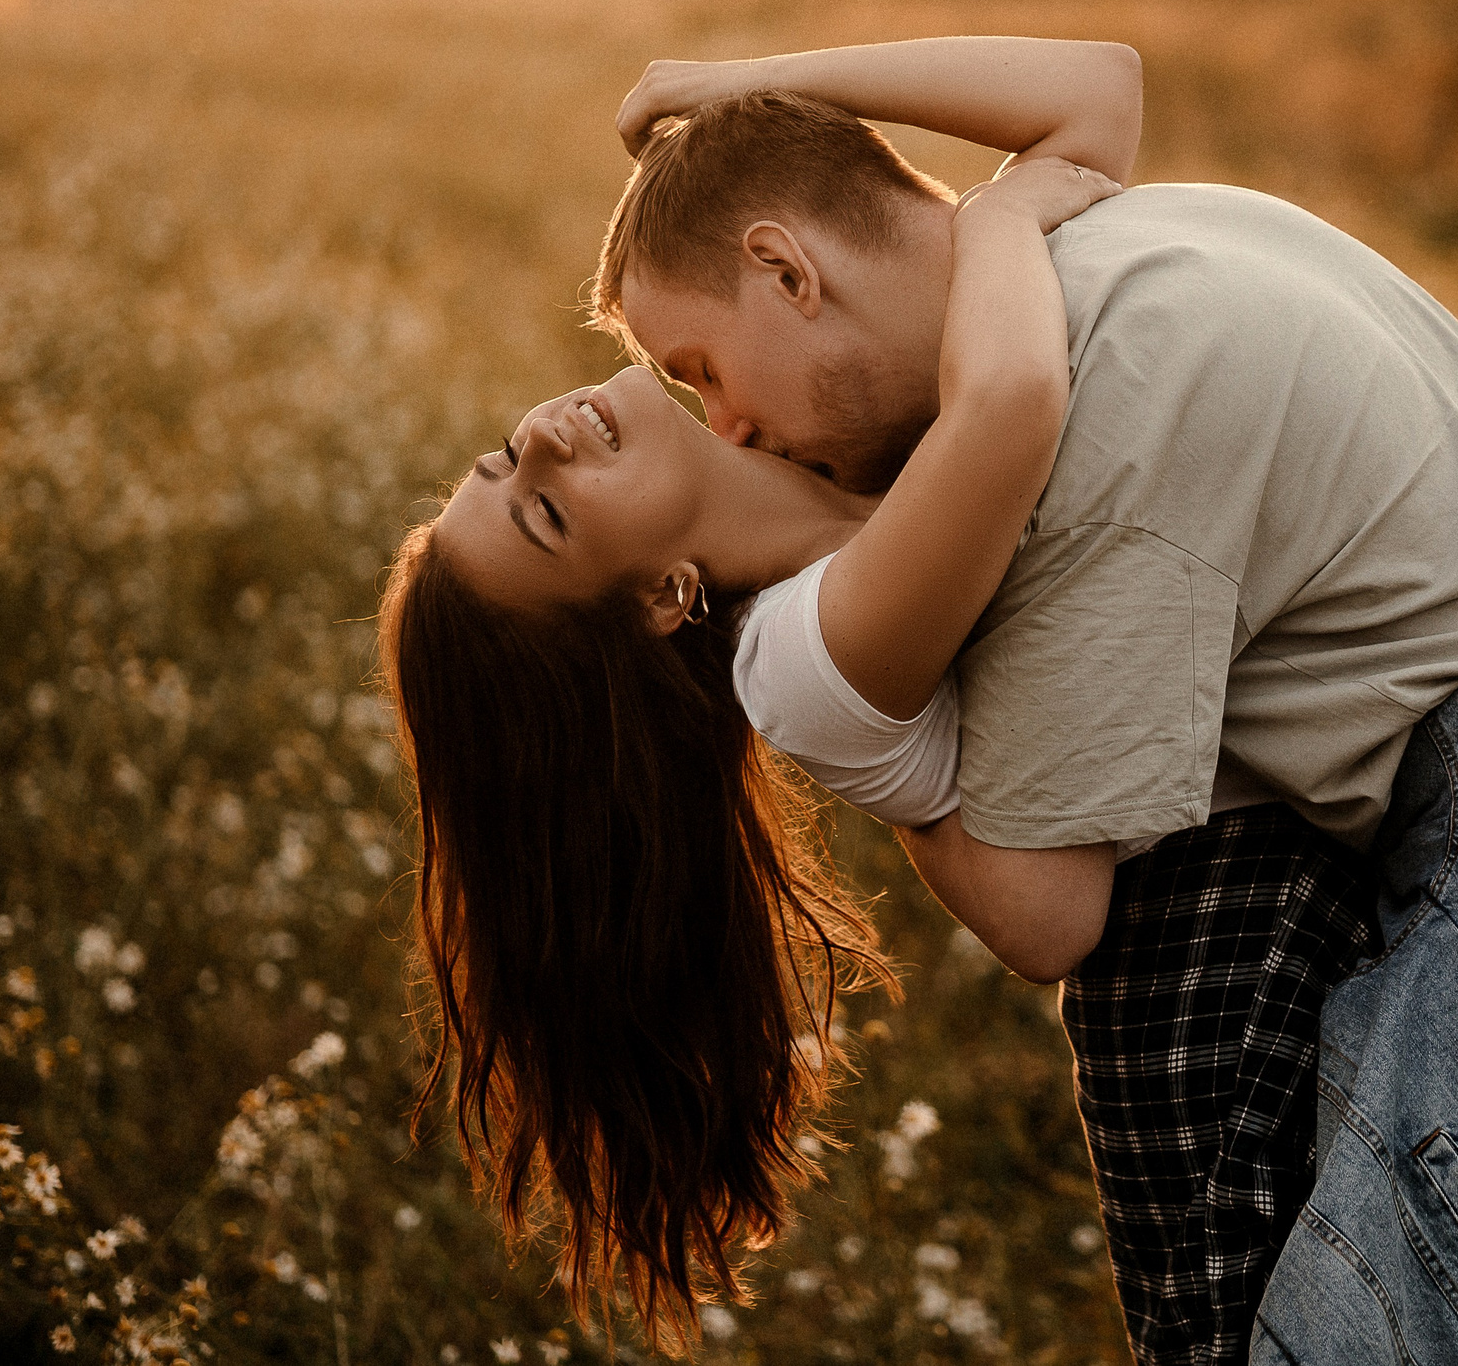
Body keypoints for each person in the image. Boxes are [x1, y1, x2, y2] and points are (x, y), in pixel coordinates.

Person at [588, 37, 1458, 1366]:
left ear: (786, 267)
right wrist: (745, 86)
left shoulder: (1101, 399)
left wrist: (852, 726)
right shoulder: (1128, 235)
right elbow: (1096, 79)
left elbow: (1046, 905)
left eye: (702, 369)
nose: (726, 422)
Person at [380, 65, 1126, 1353]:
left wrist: (743, 88)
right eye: (546, 515)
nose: (543, 441)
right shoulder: (801, 646)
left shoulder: (857, 430)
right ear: (665, 599)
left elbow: (1099, 96)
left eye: (503, 464)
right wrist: (1000, 218)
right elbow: (1014, 404)